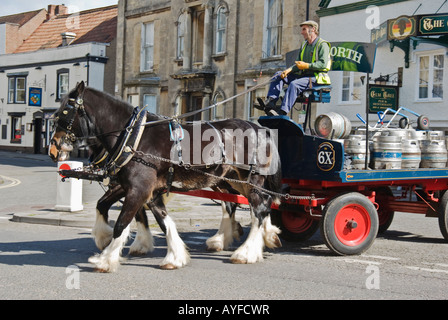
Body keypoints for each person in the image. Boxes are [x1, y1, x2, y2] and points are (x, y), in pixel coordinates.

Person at [262, 20, 332, 116]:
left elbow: (323, 64)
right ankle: (271, 102)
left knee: (294, 85)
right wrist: (289, 70)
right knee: (278, 75)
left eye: (304, 29)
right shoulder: (304, 45)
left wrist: (307, 66)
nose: (301, 32)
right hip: (303, 77)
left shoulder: (322, 45)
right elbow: (298, 64)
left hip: (316, 77)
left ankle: (282, 111)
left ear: (313, 29)